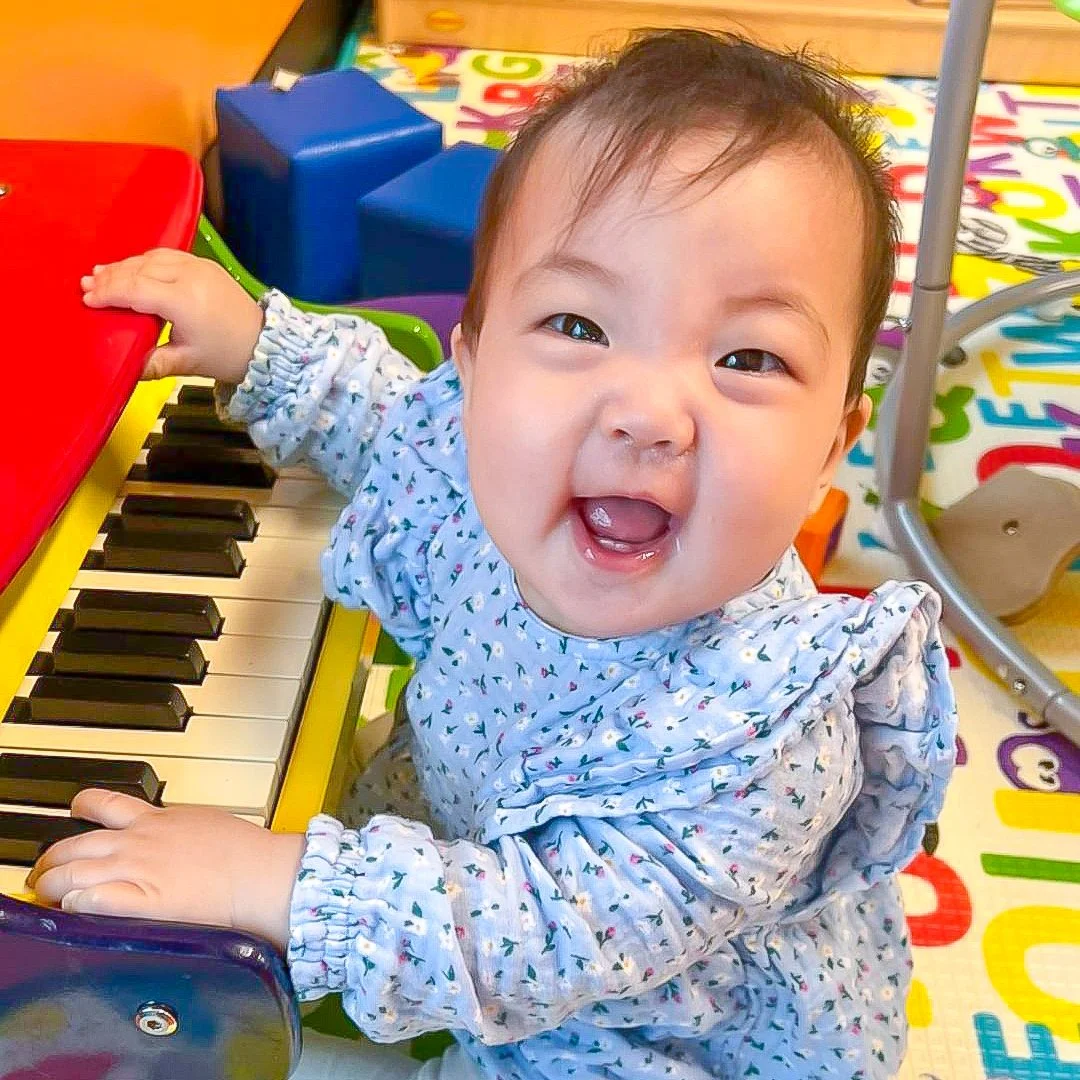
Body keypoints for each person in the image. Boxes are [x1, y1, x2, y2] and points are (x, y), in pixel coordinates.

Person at [30, 29, 957, 1079]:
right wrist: (258, 343)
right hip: (476, 843)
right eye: (577, 323)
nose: (650, 413)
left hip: (639, 1024)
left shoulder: (767, 735)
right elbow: (387, 420)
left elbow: (544, 937)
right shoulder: (488, 463)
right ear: (473, 370)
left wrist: (280, 886)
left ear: (832, 446)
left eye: (748, 357)